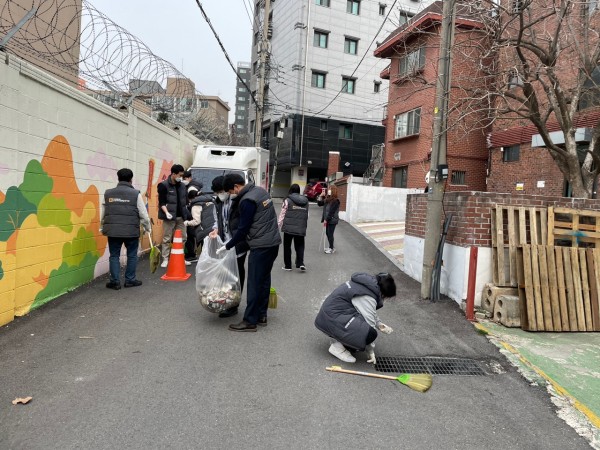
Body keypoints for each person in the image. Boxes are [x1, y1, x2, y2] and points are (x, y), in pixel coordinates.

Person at [216, 173, 281, 331]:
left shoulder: (247, 201)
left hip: (260, 246)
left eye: (231, 191)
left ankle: (249, 321)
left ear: (236, 187)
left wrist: (227, 246)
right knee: (264, 280)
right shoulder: (261, 192)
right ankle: (261, 315)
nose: (231, 195)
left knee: (253, 283)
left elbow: (243, 230)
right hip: (273, 243)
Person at [314, 272, 396, 363]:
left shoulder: (365, 285)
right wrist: (370, 350)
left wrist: (379, 324)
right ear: (384, 293)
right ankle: (338, 347)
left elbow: (369, 311)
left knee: (360, 325)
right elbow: (370, 323)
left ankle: (339, 339)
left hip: (330, 317)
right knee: (370, 334)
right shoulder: (367, 296)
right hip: (332, 319)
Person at [101, 168, 151, 290]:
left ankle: (115, 282)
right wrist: (147, 227)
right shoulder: (136, 194)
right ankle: (130, 280)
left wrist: (102, 226)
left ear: (118, 178)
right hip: (131, 231)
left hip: (113, 230)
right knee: (132, 255)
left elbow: (104, 212)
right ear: (131, 179)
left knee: (114, 255)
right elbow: (143, 214)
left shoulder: (108, 193)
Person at [209, 175, 249, 318]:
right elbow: (217, 220)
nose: (220, 194)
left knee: (236, 274)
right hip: (224, 243)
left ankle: (234, 304)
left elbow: (243, 225)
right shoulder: (218, 202)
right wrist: (215, 229)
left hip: (238, 243)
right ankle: (226, 300)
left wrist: (236, 242)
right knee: (225, 273)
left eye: (221, 191)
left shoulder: (238, 201)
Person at [157, 164, 192, 268]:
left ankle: (180, 257)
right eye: (179, 175)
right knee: (167, 238)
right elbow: (162, 202)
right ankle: (165, 258)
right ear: (173, 174)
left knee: (183, 238)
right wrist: (167, 212)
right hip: (169, 217)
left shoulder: (182, 186)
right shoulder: (163, 185)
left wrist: (187, 213)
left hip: (181, 217)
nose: (180, 178)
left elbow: (185, 201)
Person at [278, 184, 309, 271]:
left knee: (287, 246)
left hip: (288, 228)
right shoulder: (305, 201)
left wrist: (278, 225)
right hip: (300, 227)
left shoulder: (287, 200)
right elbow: (307, 215)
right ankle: (300, 263)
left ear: (290, 190)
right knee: (300, 245)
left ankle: (288, 266)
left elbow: (282, 214)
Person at [184, 186, 215, 261]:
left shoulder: (196, 205)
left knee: (206, 254)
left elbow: (196, 221)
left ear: (191, 198)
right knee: (212, 252)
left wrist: (186, 223)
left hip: (204, 229)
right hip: (214, 228)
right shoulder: (210, 200)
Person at [318, 184, 340, 254]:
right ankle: (331, 247)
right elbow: (319, 203)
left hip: (332, 220)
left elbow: (331, 212)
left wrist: (326, 219)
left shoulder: (336, 201)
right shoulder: (327, 199)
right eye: (328, 189)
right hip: (328, 219)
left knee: (330, 233)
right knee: (328, 233)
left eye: (330, 189)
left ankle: (331, 248)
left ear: (333, 191)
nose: (328, 190)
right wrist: (321, 196)